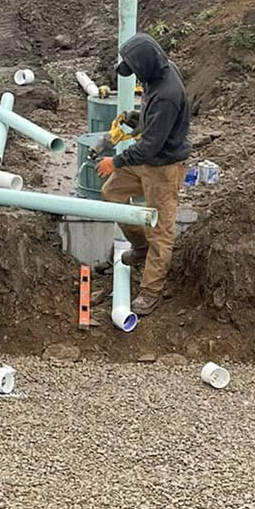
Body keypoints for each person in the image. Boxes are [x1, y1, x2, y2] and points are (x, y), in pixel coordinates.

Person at [97, 31, 192, 314]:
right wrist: (137, 120)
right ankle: (140, 248)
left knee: (161, 229)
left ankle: (151, 291)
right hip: (148, 157)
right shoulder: (157, 76)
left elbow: (151, 145)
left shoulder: (168, 94)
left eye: (136, 71)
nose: (136, 78)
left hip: (163, 167)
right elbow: (154, 127)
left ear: (147, 64)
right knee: (111, 194)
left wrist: (115, 162)